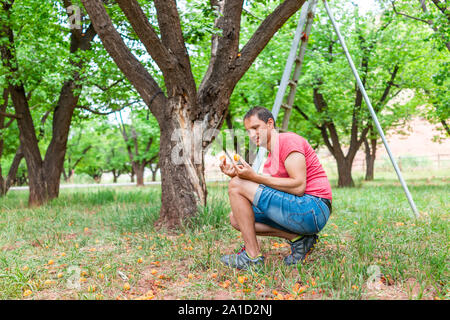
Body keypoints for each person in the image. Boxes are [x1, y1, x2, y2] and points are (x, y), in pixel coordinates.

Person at [219, 106, 332, 270]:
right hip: (302, 210)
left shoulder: (288, 141)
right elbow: (272, 191)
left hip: (314, 207)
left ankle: (252, 257)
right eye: (248, 131)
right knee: (236, 218)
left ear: (270, 123)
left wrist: (249, 179)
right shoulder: (270, 160)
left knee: (237, 185)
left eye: (256, 128)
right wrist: (238, 177)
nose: (251, 135)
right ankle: (300, 239)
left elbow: (299, 186)